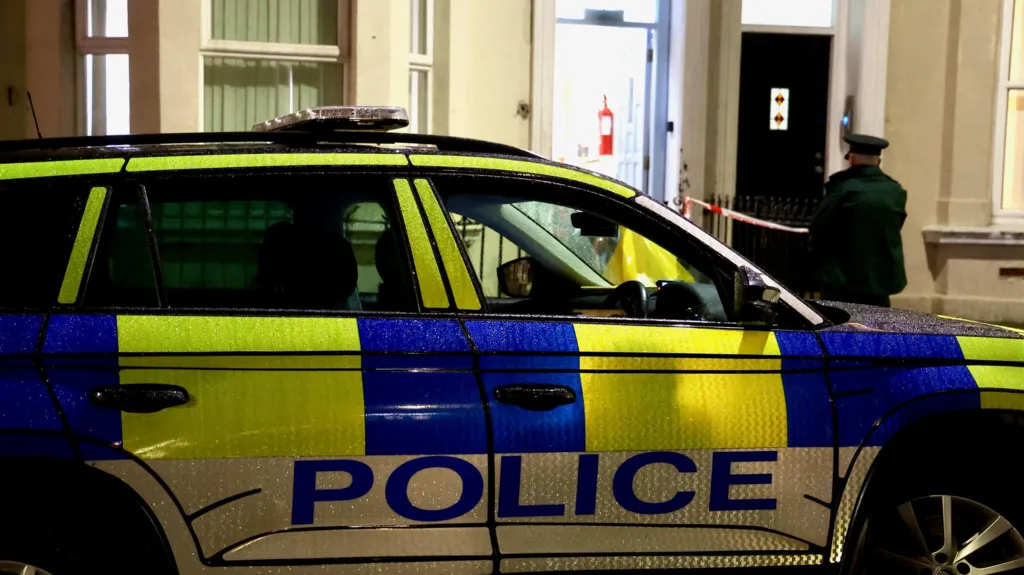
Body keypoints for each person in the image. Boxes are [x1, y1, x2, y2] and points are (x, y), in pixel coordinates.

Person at [809, 133, 907, 307]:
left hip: (842, 279)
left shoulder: (842, 188)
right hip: (879, 280)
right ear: (878, 162)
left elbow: (820, 228)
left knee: (838, 330)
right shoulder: (895, 191)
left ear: (851, 159)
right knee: (876, 328)